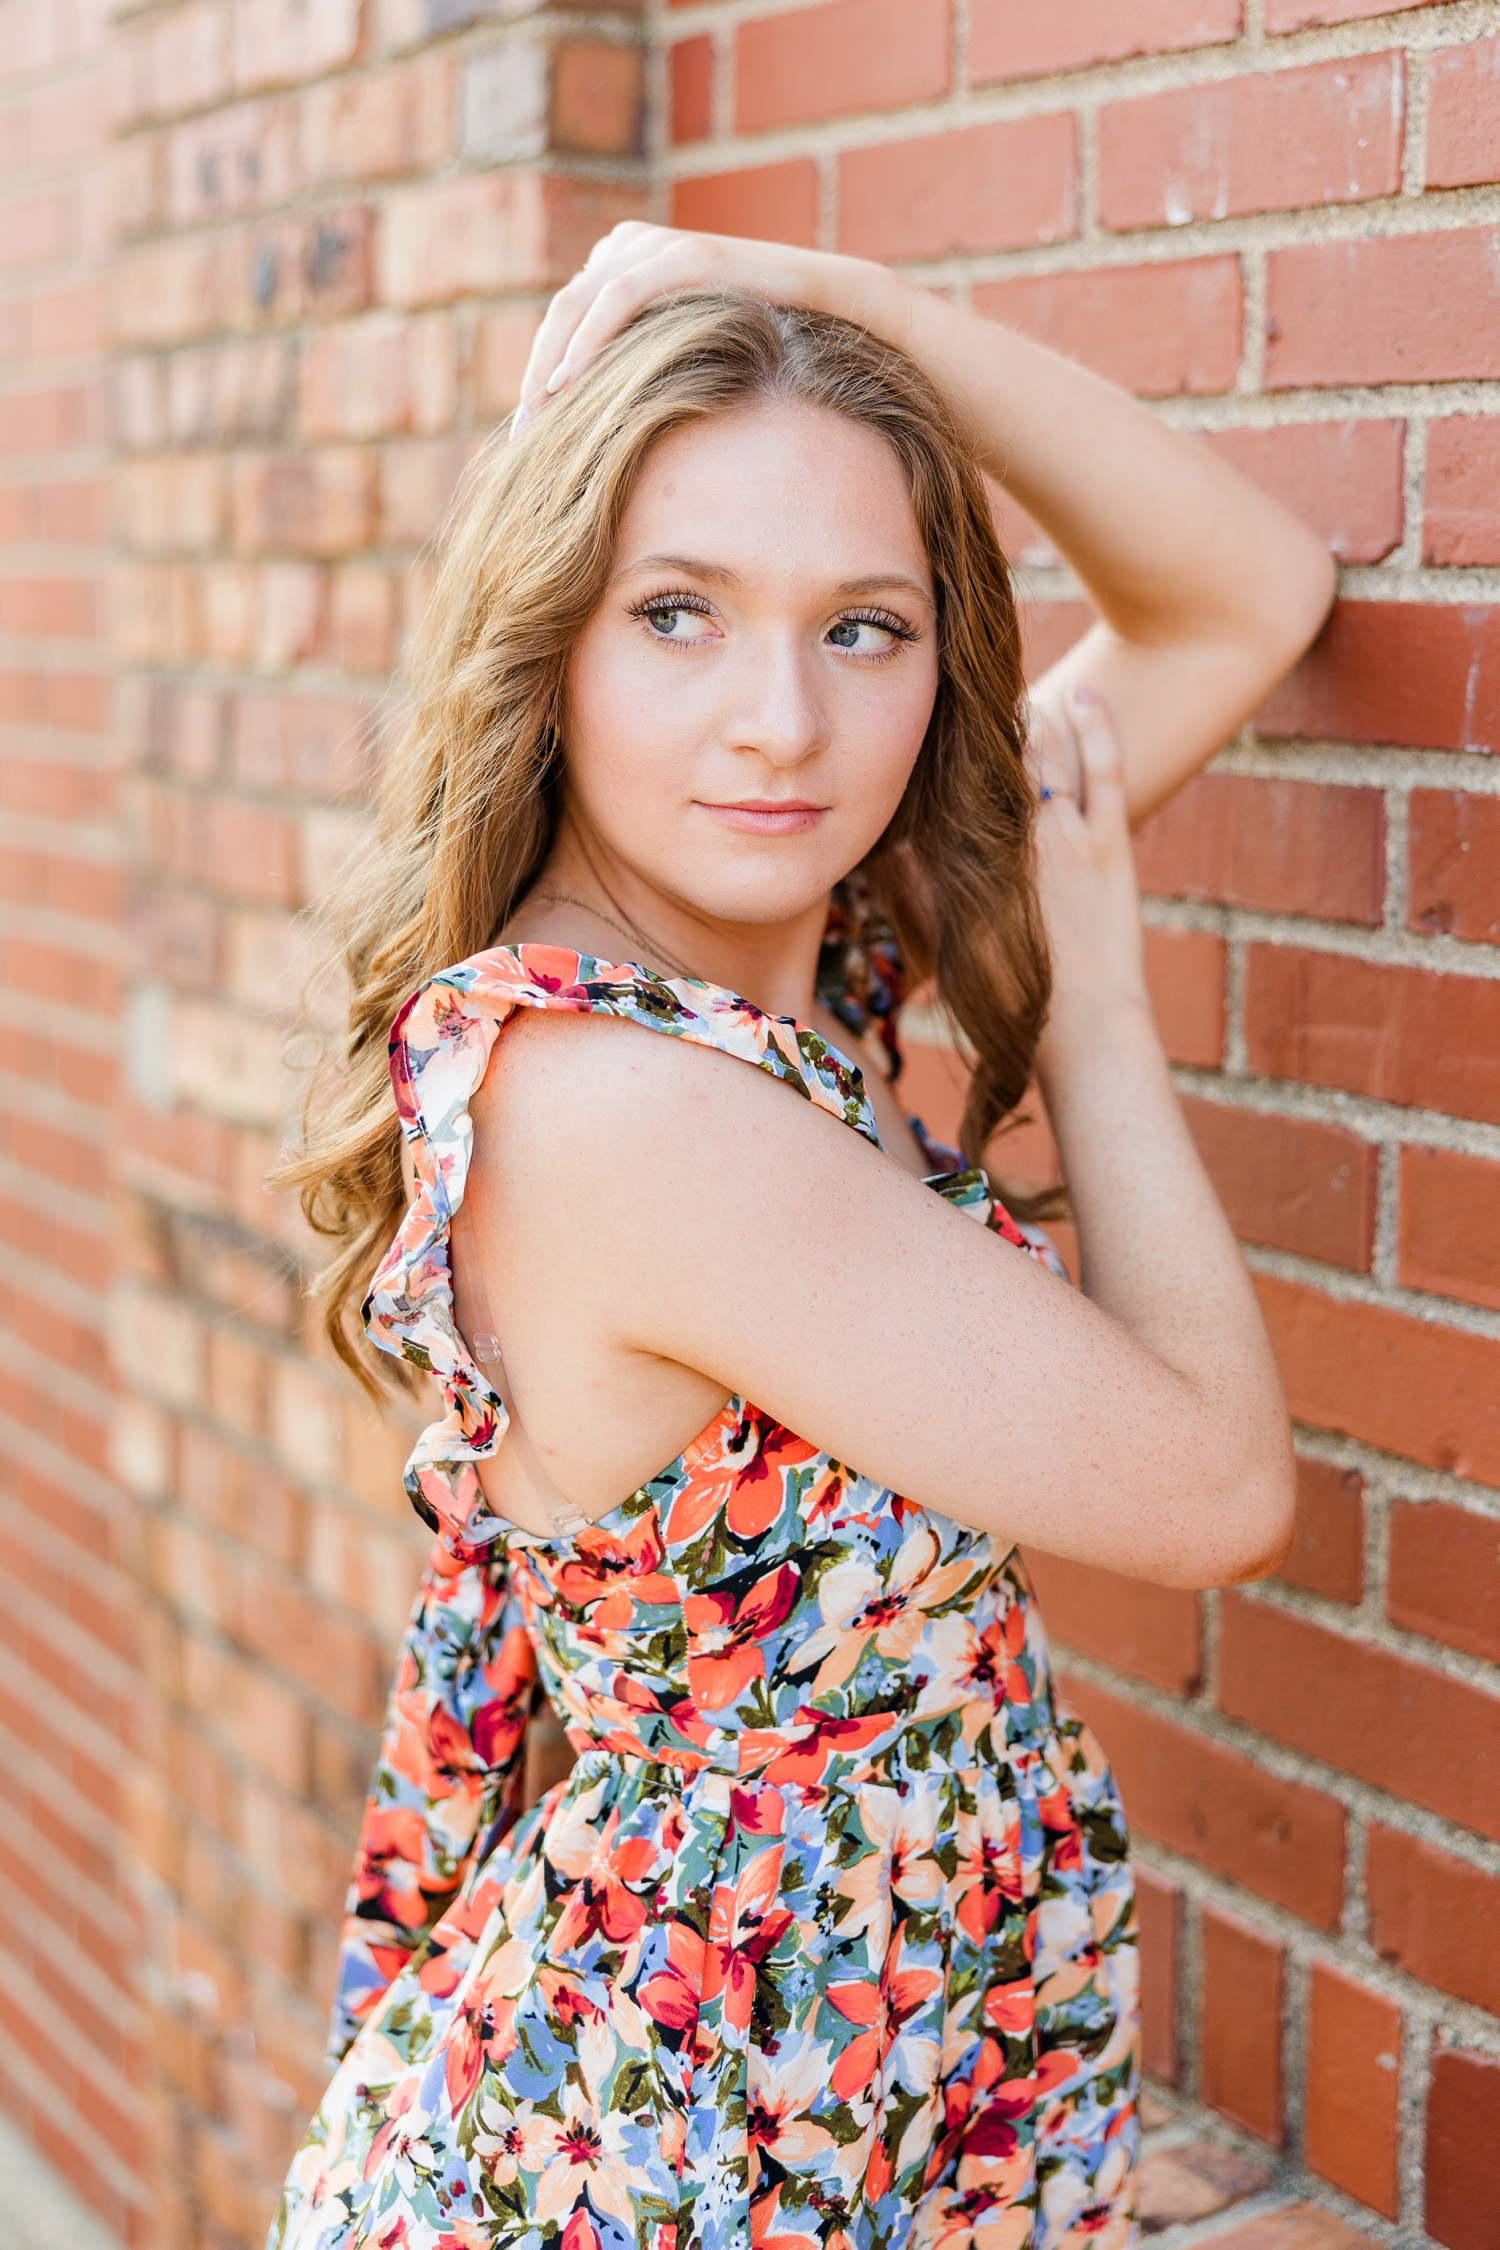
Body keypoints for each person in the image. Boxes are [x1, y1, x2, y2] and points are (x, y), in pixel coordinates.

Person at [269, 226, 1335, 2250]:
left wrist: (874, 319)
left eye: (865, 627)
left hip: (821, 2110)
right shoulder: (632, 1113)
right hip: (681, 2162)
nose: (780, 722)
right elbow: (1217, 1484)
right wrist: (1097, 1015)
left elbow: (1246, 593)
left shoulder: (776, 971)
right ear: (550, 638)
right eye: (679, 613)